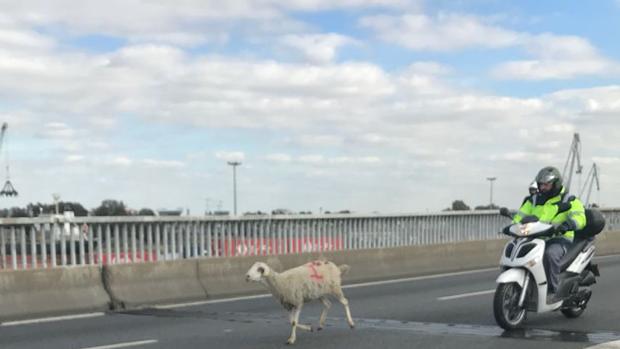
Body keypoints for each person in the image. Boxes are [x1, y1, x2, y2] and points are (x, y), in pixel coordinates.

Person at [512, 166, 586, 301]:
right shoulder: (534, 200)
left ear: (555, 184)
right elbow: (520, 216)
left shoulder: (568, 200)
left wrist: (568, 224)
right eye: (541, 184)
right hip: (536, 238)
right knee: (518, 251)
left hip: (560, 239)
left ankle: (554, 290)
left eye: (547, 184)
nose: (543, 187)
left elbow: (580, 217)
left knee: (550, 254)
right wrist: (513, 225)